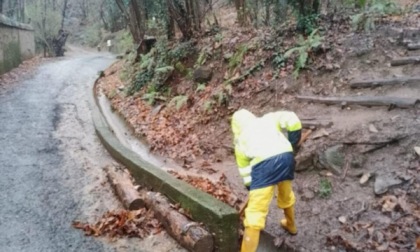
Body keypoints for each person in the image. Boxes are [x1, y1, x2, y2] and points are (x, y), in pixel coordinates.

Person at [231, 109, 302, 252]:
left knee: (255, 212)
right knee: (286, 194)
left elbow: (245, 172)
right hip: (286, 158)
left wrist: (252, 188)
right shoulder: (269, 118)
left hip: (264, 166)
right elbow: (292, 119)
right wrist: (292, 143)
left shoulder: (240, 142)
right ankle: (291, 225)